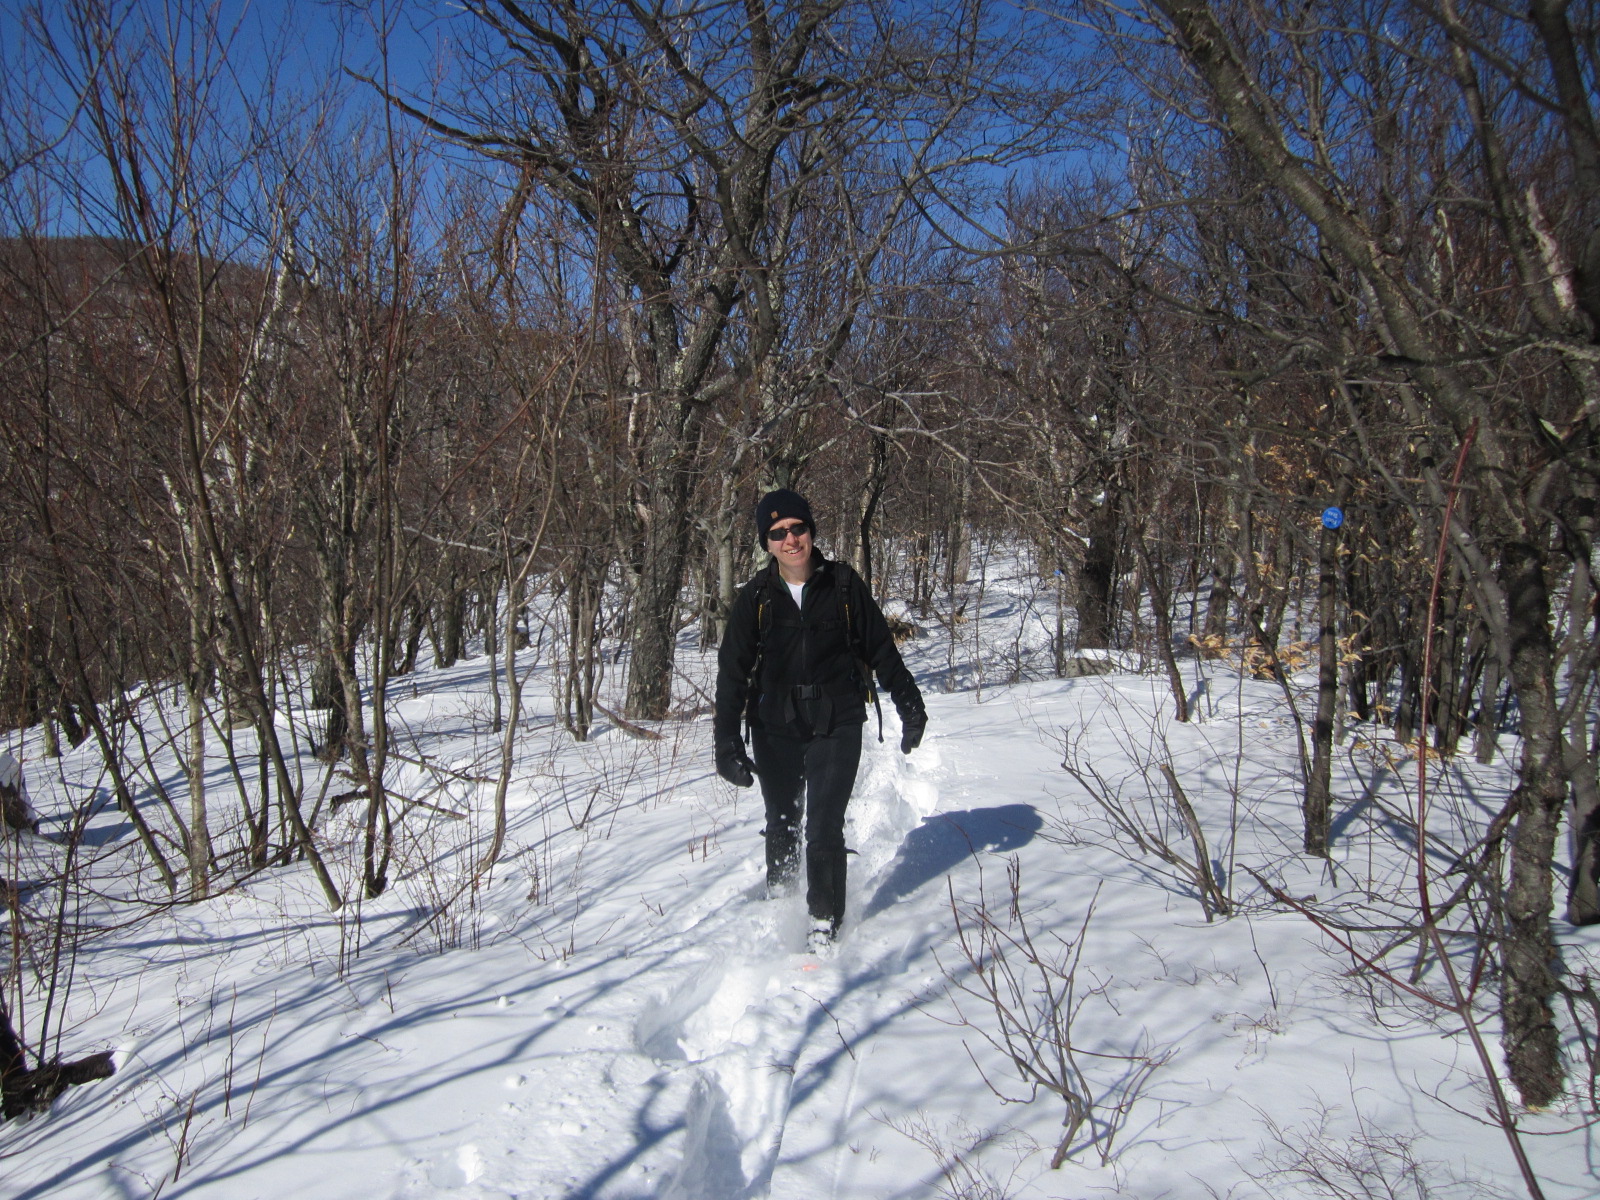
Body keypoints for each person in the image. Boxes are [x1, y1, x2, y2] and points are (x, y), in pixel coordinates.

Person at [713, 488, 927, 951]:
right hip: (776, 725)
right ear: (766, 542)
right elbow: (732, 672)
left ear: (811, 531)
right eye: (778, 533)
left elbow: (880, 650)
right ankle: (780, 897)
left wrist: (910, 704)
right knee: (783, 818)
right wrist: (725, 742)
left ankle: (824, 920)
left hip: (838, 719)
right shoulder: (756, 598)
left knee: (824, 824)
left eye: (797, 528)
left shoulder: (844, 586)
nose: (790, 540)